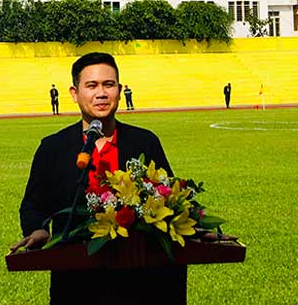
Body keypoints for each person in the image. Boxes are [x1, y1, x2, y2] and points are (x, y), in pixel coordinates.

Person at [10, 52, 184, 304]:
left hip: (141, 281)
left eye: (108, 85)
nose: (101, 93)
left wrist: (197, 229)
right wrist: (38, 230)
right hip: (75, 283)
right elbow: (33, 205)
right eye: (91, 86)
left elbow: (168, 198)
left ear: (119, 90)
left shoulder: (145, 142)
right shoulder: (52, 148)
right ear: (74, 93)